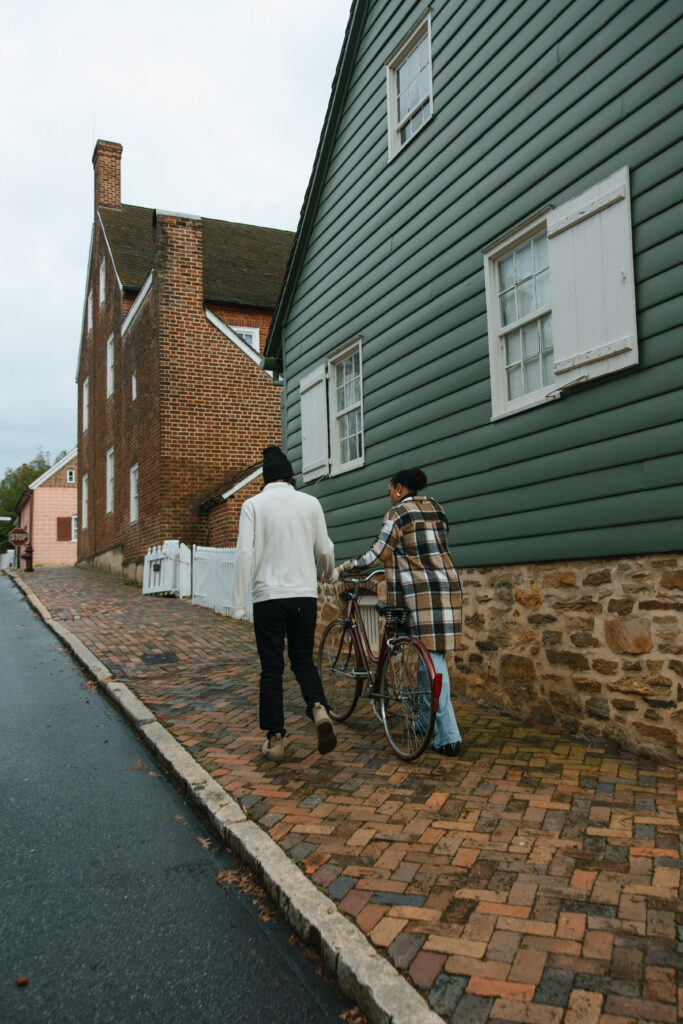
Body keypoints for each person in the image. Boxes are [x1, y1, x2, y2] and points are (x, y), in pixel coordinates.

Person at [337, 468, 463, 756]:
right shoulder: (438, 509)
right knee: (429, 656)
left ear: (397, 488)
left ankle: (449, 736)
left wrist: (343, 567)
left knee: (432, 660)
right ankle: (422, 720)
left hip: (418, 595)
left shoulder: (397, 514)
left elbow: (376, 555)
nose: (389, 494)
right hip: (447, 588)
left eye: (389, 489)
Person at [232, 446, 339, 762]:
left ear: (264, 479)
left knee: (271, 668)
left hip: (268, 597)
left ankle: (276, 740)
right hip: (303, 596)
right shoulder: (310, 503)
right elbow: (325, 549)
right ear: (291, 476)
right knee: (303, 659)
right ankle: (318, 708)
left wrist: (239, 604)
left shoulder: (253, 505)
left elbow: (243, 554)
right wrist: (329, 574)